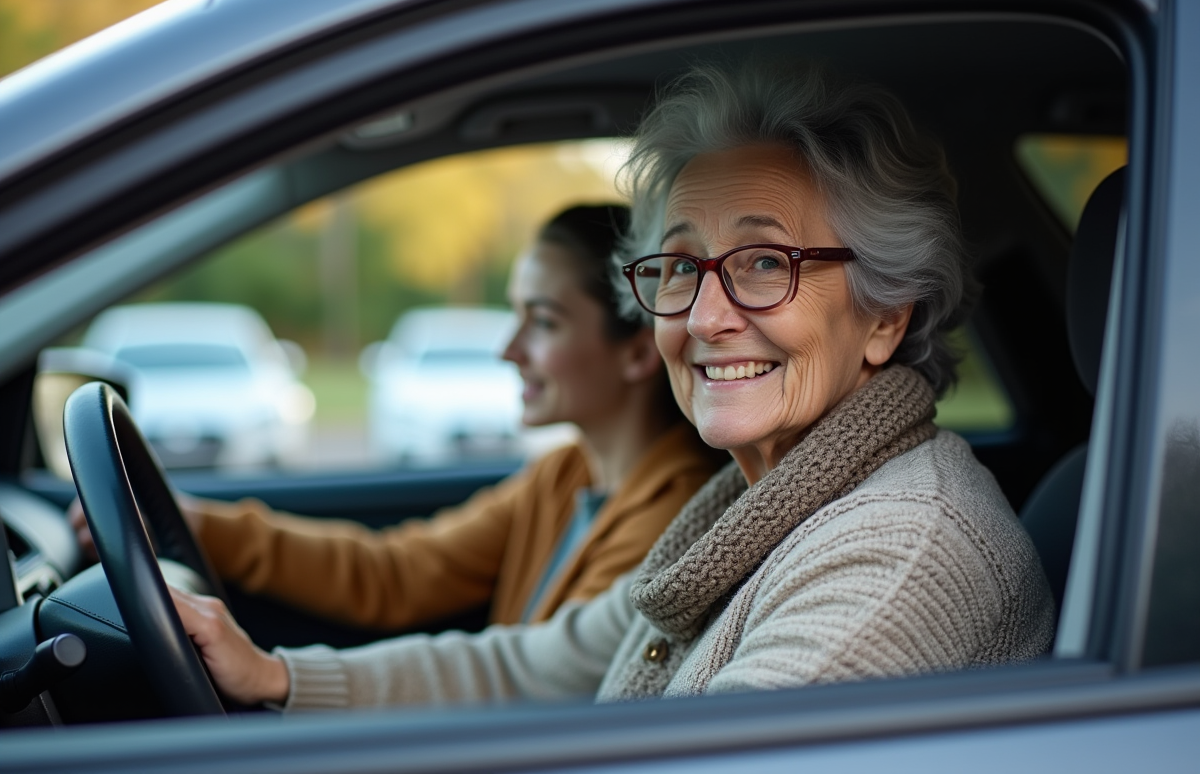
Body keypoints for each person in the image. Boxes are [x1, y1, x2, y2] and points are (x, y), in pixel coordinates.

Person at [172, 61, 1056, 709]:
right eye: (677, 268)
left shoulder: (895, 559)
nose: (704, 317)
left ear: (884, 317)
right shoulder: (745, 514)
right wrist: (273, 675)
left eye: (761, 263)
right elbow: (528, 669)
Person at [74, 204, 728, 632]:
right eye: (515, 314)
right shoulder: (566, 475)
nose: (508, 349)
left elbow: (543, 681)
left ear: (639, 350)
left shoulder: (666, 518)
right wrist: (198, 525)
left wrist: (277, 679)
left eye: (545, 322)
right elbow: (397, 573)